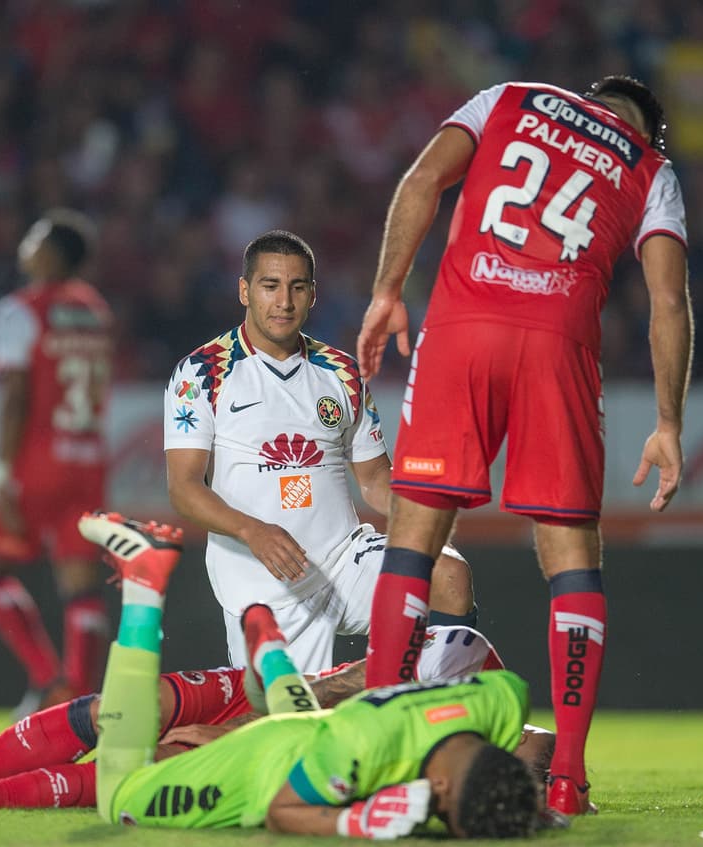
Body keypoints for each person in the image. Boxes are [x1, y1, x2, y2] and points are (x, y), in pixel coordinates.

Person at [355, 75, 693, 816]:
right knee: (571, 554)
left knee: (414, 535)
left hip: (463, 326)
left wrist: (387, 289)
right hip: (557, 346)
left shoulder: (513, 97)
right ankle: (567, 776)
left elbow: (423, 179)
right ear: (647, 128)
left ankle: (373, 738)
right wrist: (667, 420)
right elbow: (668, 299)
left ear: (588, 98)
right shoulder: (649, 167)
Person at [0, 512, 541, 838]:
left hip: (293, 714)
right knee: (131, 723)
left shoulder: (489, 698)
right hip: (295, 707)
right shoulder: (461, 673)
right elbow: (352, 702)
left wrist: (551, 785)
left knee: (137, 752)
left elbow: (529, 737)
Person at [164, 229, 476, 673]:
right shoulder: (202, 372)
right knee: (288, 731)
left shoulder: (342, 372)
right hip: (264, 579)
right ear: (244, 291)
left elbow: (373, 479)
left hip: (344, 560)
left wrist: (420, 514)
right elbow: (184, 488)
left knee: (449, 575)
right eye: (270, 286)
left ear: (313, 294)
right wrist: (253, 531)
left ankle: (450, 721)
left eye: (297, 287)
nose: (284, 301)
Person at [0, 618, 541, 813]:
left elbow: (313, 732)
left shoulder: (465, 704)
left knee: (149, 765)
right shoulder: (475, 678)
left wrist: (551, 780)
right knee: (126, 708)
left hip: (282, 727)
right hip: (265, 692)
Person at [0, 209, 114, 717]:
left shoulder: (18, 309)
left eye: (35, 237)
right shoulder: (96, 310)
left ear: (51, 253)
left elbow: (15, 396)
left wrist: (1, 475)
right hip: (89, 458)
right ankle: (77, 698)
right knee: (81, 585)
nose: (26, 245)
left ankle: (47, 679)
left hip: (38, 458)